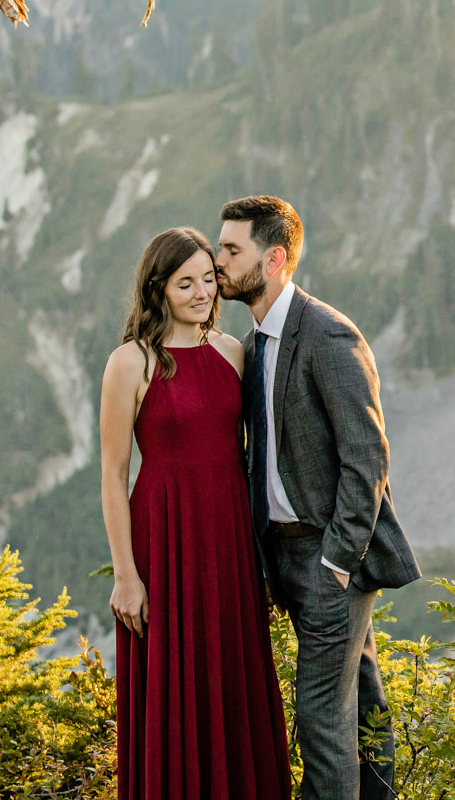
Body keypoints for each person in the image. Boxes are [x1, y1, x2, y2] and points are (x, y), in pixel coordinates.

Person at [215, 196, 419, 800]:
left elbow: (368, 456)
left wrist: (337, 561)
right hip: (288, 558)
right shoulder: (254, 345)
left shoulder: (330, 335)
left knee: (322, 724)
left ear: (273, 258)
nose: (219, 260)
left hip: (330, 560)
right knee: (363, 710)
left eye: (231, 249)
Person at [100, 226, 291, 800]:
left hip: (227, 545)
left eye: (209, 279)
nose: (203, 292)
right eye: (186, 283)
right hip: (163, 542)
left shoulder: (232, 351)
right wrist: (127, 577)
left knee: (230, 680)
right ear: (157, 289)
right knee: (172, 685)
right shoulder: (130, 362)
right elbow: (112, 475)